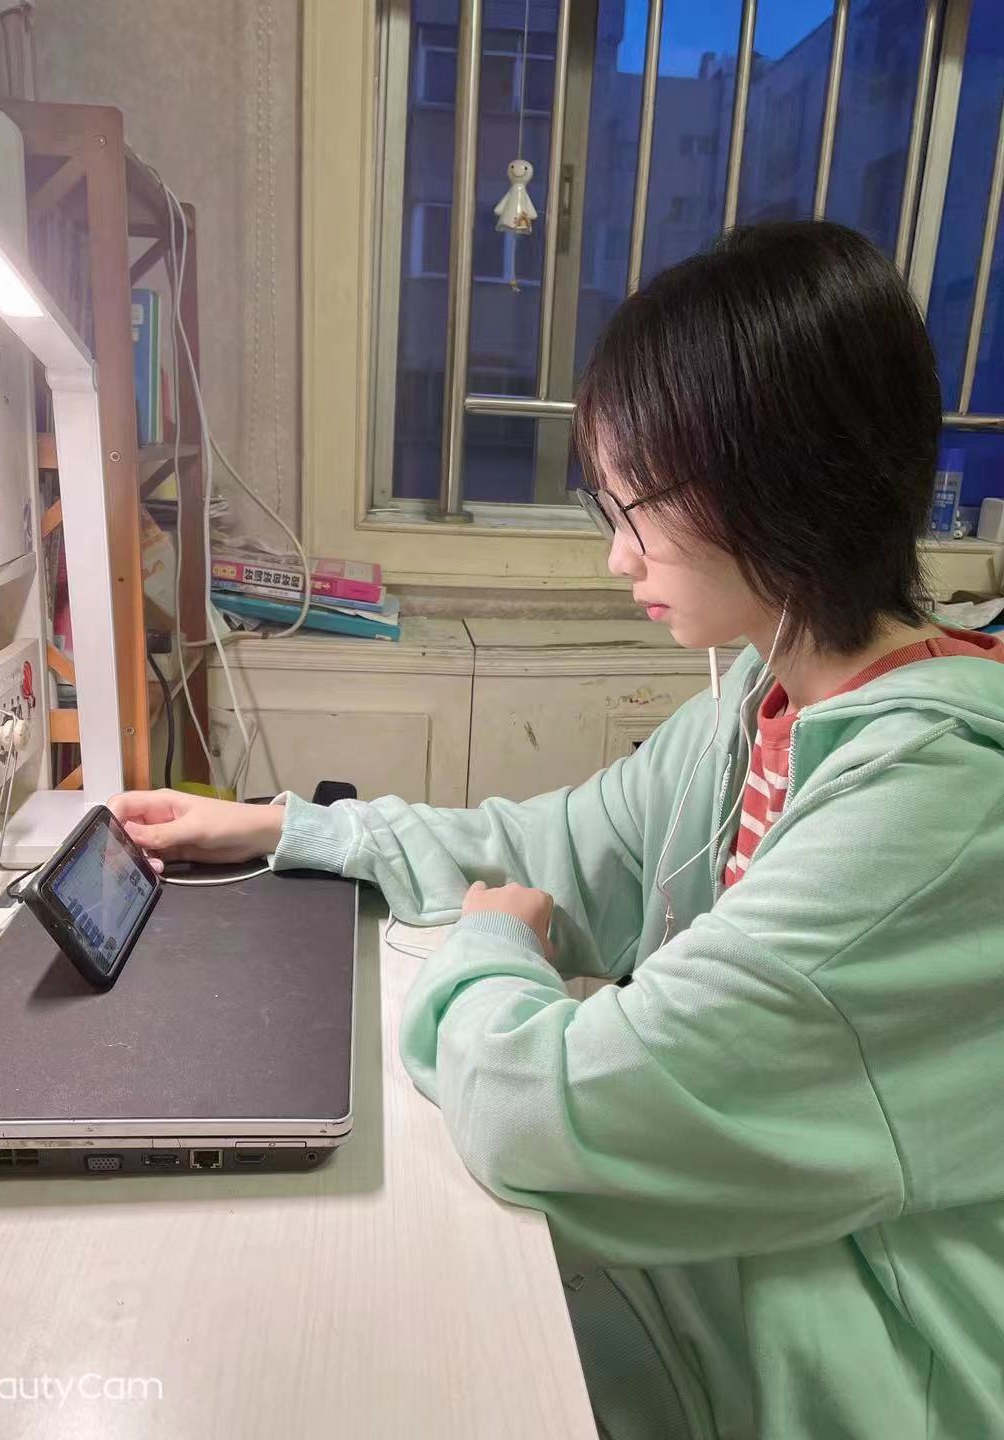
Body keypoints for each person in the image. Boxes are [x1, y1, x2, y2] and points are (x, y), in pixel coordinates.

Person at [112, 221, 1004, 1440]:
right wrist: (281, 828)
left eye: (635, 507)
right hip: (745, 1275)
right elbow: (554, 847)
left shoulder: (938, 810)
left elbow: (549, 1115)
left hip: (872, 1365)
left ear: (777, 484)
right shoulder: (766, 695)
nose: (616, 555)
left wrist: (490, 952)